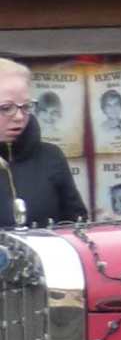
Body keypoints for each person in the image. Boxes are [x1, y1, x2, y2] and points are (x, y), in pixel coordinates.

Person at [0, 58, 86, 228]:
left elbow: (77, 223)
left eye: (26, 107)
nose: (19, 117)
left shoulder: (51, 156)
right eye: (6, 108)